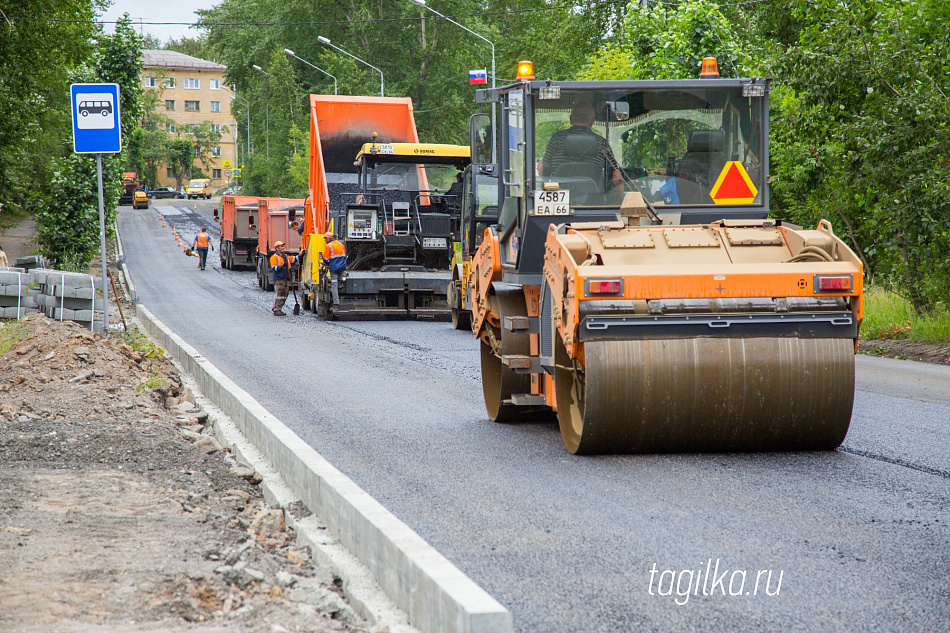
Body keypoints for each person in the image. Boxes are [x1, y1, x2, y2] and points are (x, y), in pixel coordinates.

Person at [538, 102, 622, 189]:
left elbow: (542, 167)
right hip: (593, 200)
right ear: (593, 121)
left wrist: (546, 189)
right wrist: (620, 201)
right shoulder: (601, 143)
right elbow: (616, 176)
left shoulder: (556, 139)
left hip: (559, 199)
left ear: (571, 119)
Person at [269, 241, 297, 316]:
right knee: (279, 294)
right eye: (281, 246)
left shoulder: (285, 256)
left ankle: (276, 307)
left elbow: (293, 259)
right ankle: (277, 309)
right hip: (279, 278)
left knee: (285, 293)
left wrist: (301, 255)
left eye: (283, 246)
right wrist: (282, 266)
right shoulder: (274, 257)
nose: (283, 247)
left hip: (285, 278)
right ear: (277, 248)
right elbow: (274, 268)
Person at [322, 231, 346, 307]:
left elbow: (326, 259)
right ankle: (343, 299)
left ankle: (336, 303)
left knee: (334, 285)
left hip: (334, 268)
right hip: (342, 267)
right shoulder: (341, 244)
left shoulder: (328, 246)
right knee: (340, 282)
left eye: (325, 239)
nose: (324, 240)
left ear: (328, 238)